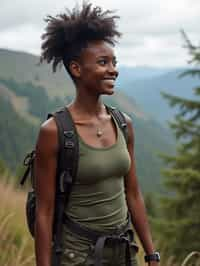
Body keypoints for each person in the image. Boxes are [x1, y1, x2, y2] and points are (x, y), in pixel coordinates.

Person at [35, 2, 160, 266]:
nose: (113, 69)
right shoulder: (54, 132)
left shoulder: (123, 123)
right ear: (76, 69)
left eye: (114, 62)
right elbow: (44, 213)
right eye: (103, 62)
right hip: (77, 255)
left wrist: (151, 254)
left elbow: (133, 194)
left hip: (124, 251)